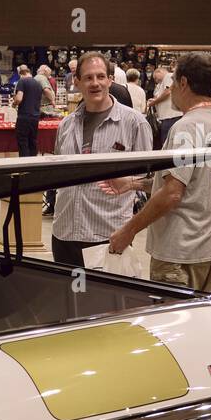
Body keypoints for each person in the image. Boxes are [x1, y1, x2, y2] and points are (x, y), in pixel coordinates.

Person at [103, 51, 211, 292]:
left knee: (174, 325)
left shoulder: (186, 127)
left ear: (183, 83)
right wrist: (133, 184)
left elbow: (173, 193)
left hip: (180, 251)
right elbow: (195, 183)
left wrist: (128, 231)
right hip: (209, 246)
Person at [49, 52, 153, 268]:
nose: (95, 83)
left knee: (104, 301)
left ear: (110, 80)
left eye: (100, 77)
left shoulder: (135, 124)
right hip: (64, 235)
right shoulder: (66, 126)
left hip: (108, 236)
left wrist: (132, 186)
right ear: (76, 82)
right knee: (67, 300)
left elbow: (153, 182)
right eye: (88, 78)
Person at [12, 64, 44, 158]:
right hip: (35, 117)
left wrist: (14, 104)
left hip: (24, 116)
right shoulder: (38, 83)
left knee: (23, 142)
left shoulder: (22, 81)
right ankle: (33, 165)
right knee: (32, 141)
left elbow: (19, 98)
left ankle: (24, 166)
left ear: (21, 73)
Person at [147, 65, 181, 145]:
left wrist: (154, 102)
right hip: (166, 117)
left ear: (160, 72)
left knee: (167, 142)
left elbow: (167, 92)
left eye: (155, 77)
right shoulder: (160, 84)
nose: (155, 80)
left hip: (171, 116)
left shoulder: (168, 76)